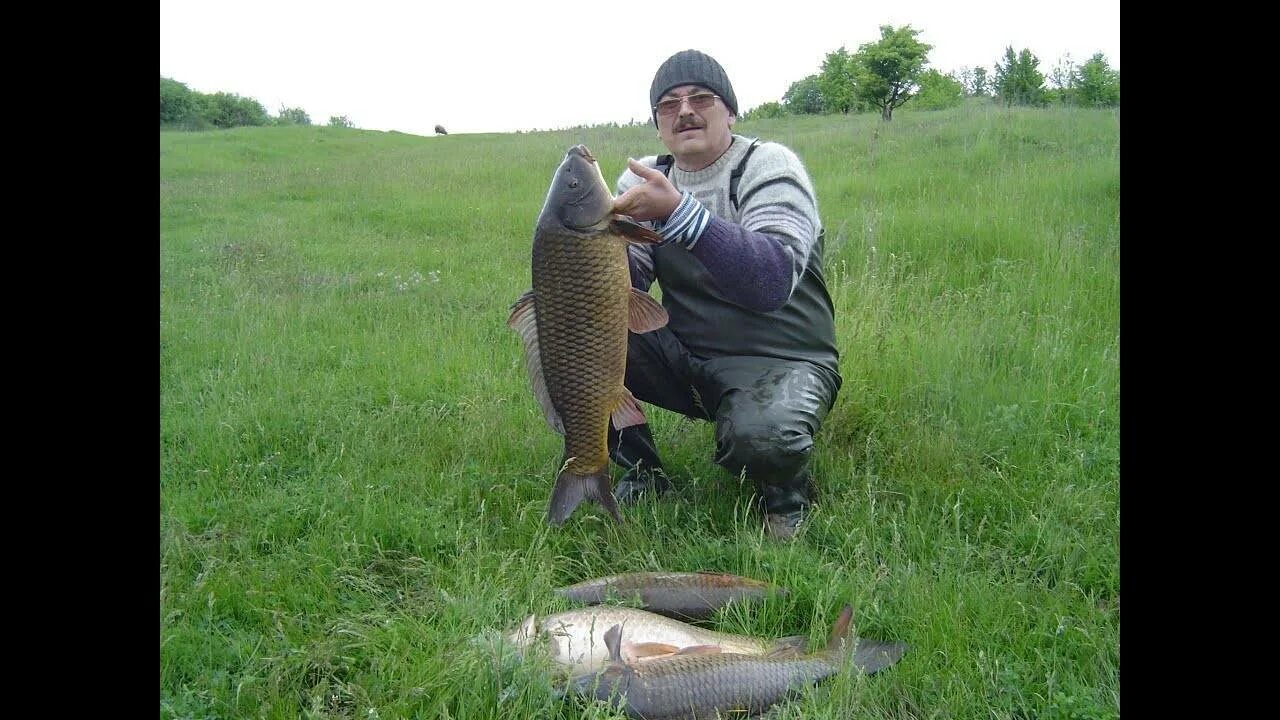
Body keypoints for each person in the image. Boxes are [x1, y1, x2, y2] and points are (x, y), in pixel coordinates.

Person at [608, 49, 841, 540]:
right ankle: (642, 471)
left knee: (763, 438)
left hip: (783, 360)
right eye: (669, 104)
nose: (685, 111)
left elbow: (771, 281)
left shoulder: (767, 165)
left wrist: (678, 215)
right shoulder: (646, 177)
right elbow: (628, 284)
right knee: (566, 329)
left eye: (702, 98)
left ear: (730, 111)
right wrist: (591, 244)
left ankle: (785, 494)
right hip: (690, 357)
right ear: (657, 123)